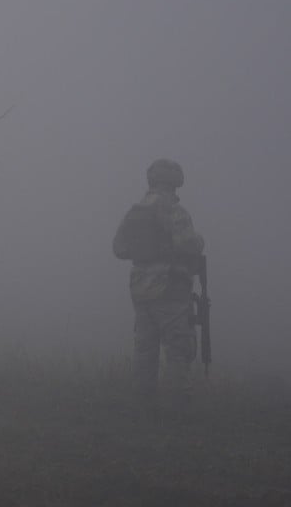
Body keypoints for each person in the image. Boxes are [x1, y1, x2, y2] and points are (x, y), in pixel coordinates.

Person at [112, 158, 205, 414]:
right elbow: (188, 243)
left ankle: (143, 405)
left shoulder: (136, 210)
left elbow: (118, 248)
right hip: (171, 287)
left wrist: (146, 255)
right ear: (174, 182)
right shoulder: (173, 210)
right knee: (178, 348)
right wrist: (200, 242)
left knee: (145, 347)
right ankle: (178, 408)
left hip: (140, 289)